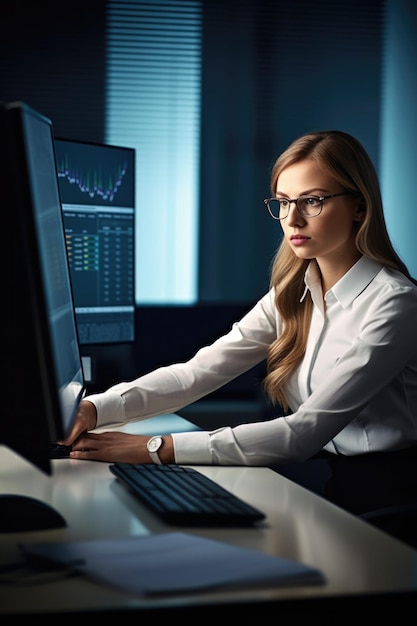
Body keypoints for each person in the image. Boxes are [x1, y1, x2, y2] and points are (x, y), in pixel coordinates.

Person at [62, 130, 417, 479]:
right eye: (284, 201)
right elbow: (196, 375)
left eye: (313, 200)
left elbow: (304, 431)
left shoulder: (395, 303)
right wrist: (93, 409)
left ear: (359, 207)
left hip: (388, 486)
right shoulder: (293, 292)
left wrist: (152, 448)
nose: (292, 219)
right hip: (330, 470)